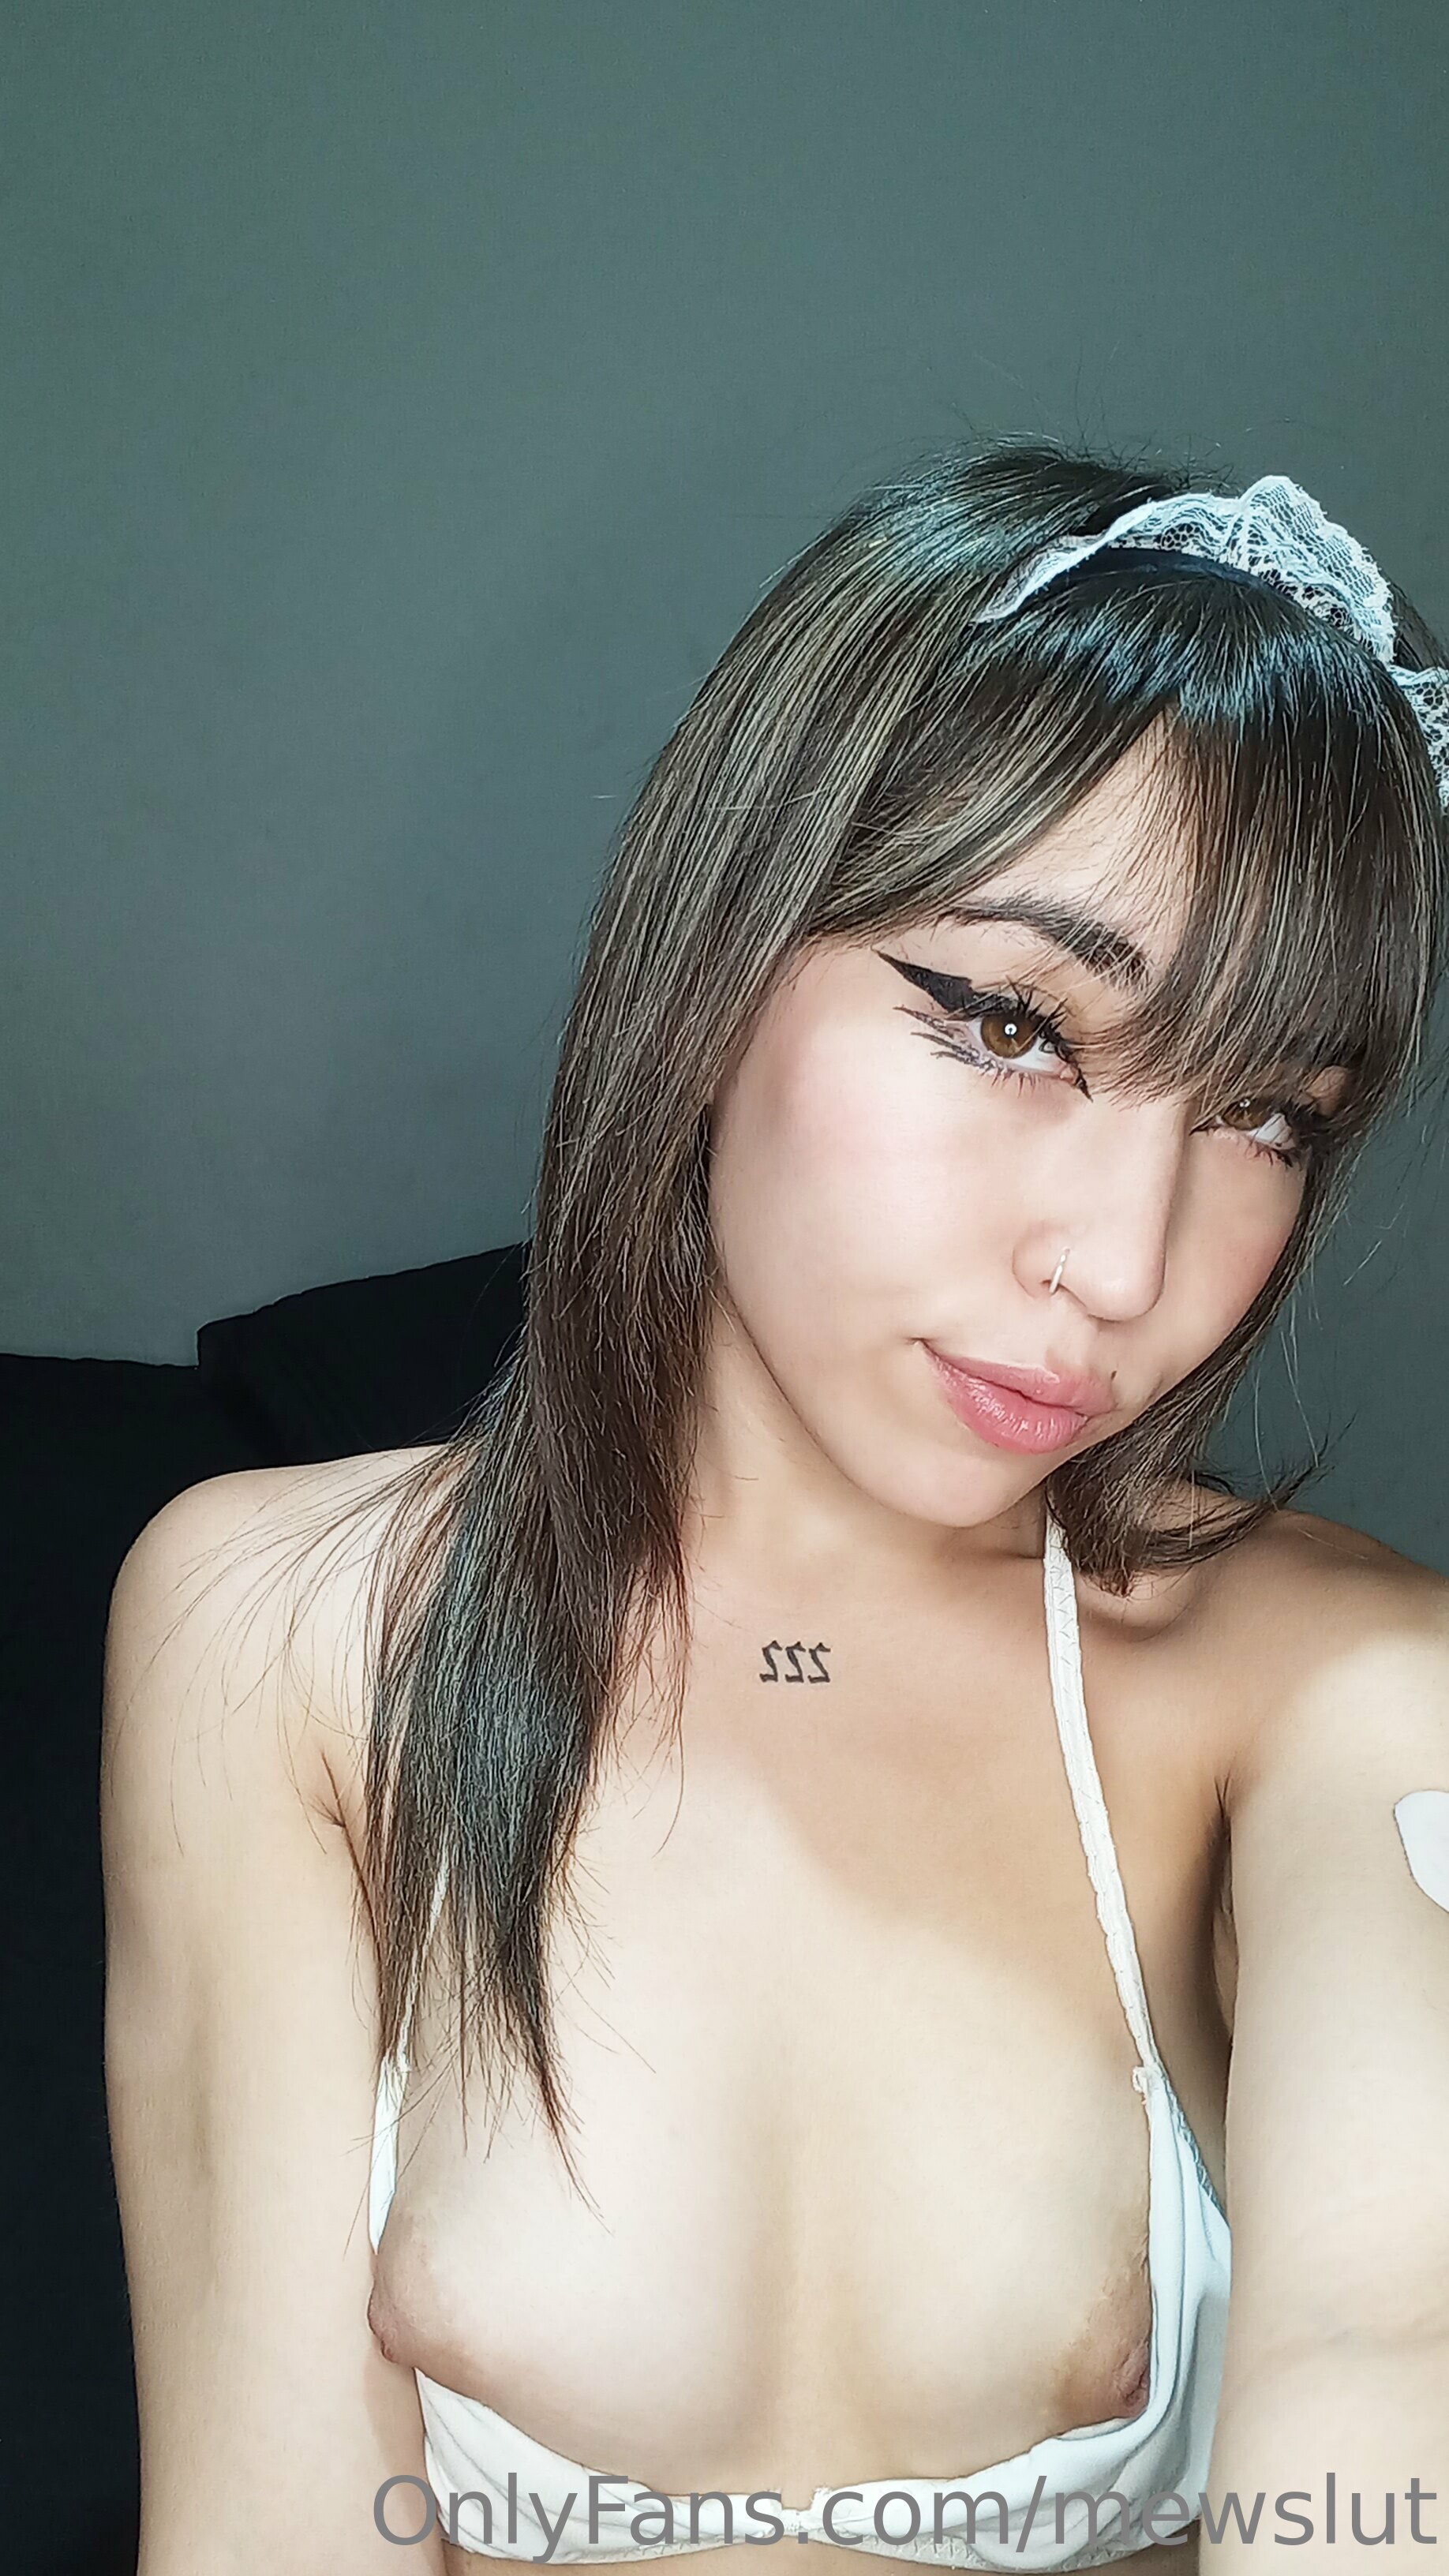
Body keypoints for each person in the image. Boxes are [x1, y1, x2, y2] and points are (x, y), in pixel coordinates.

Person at [101, 441, 1449, 2576]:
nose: (1125, 1263)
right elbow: (267, 2529)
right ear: (718, 957)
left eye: (1270, 1116)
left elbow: (1395, 2360)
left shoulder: (1343, 1691)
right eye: (1009, 1020)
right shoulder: (283, 1634)